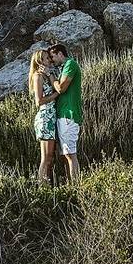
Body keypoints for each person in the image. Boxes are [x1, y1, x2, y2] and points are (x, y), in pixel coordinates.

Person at [46, 43, 82, 183]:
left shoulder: (70, 64)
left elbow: (61, 88)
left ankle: (75, 186)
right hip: (63, 116)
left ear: (60, 53)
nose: (51, 60)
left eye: (52, 56)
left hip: (69, 115)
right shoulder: (63, 68)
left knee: (70, 155)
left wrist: (50, 76)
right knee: (65, 155)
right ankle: (71, 184)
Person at [28, 48, 59, 183]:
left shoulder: (46, 75)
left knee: (50, 157)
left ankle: (46, 185)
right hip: (45, 118)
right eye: (47, 58)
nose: (49, 60)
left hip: (51, 117)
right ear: (40, 61)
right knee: (45, 158)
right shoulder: (37, 76)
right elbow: (38, 101)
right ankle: (42, 188)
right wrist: (56, 95)